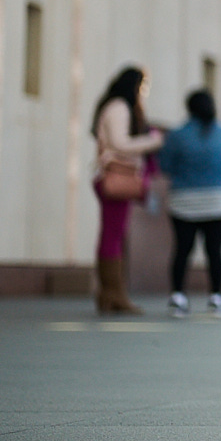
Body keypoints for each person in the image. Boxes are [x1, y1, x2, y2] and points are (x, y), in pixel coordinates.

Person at [157, 88, 221, 318]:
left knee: (183, 249)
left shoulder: (177, 135)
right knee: (215, 251)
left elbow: (165, 165)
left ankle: (178, 296)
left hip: (184, 201)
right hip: (219, 200)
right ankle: (217, 297)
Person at [92, 65, 165, 314]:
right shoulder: (119, 107)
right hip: (115, 178)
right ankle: (115, 294)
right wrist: (153, 141)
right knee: (113, 235)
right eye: (142, 86)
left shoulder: (115, 107)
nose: (143, 92)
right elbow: (120, 143)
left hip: (116, 177)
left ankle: (109, 293)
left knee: (113, 234)